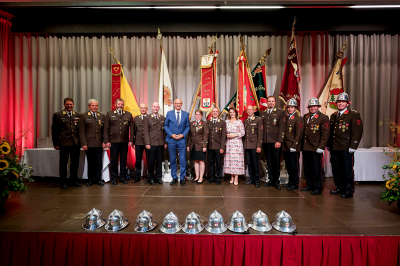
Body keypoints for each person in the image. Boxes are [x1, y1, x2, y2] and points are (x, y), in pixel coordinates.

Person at [328, 92, 363, 198]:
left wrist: (354, 145)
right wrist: (329, 145)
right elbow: (331, 132)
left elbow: (357, 131)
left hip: (346, 146)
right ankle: (339, 187)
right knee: (336, 168)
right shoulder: (333, 115)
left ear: (348, 103)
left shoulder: (353, 114)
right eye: (339, 102)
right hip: (335, 147)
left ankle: (349, 189)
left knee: (347, 169)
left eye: (343, 102)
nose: (341, 104)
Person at [301, 97, 330, 195]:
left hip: (316, 147)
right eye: (311, 106)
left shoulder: (323, 117)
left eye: (314, 106)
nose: (312, 108)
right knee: (307, 168)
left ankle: (318, 187)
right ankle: (310, 185)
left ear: (318, 107)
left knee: (317, 169)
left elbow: (325, 134)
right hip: (306, 147)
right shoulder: (305, 117)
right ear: (308, 107)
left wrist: (321, 147)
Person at [51, 97, 82, 190]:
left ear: (73, 105)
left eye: (71, 104)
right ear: (64, 104)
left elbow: (80, 130)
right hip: (64, 143)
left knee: (75, 163)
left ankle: (74, 181)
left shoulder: (77, 114)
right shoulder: (58, 115)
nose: (69, 106)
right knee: (63, 164)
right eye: (67, 104)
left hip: (75, 143)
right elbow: (55, 131)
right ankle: (63, 182)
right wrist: (56, 144)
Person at [104, 98, 134, 185]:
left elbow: (132, 129)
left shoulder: (128, 114)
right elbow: (106, 128)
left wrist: (131, 140)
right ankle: (113, 178)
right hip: (113, 141)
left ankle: (122, 178)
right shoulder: (109, 114)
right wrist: (107, 140)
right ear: (115, 104)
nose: (120, 106)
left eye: (122, 104)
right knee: (113, 161)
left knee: (123, 160)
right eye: (119, 104)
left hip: (124, 141)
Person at [78, 99, 106, 187]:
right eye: (93, 105)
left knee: (98, 163)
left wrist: (104, 141)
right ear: (89, 106)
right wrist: (83, 143)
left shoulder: (101, 115)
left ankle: (98, 179)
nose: (94, 107)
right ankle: (90, 179)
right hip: (89, 144)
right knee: (90, 163)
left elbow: (104, 130)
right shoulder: (83, 116)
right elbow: (81, 131)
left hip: (99, 143)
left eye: (96, 105)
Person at [261, 96, 286, 190]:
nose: (271, 103)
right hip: (266, 142)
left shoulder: (280, 112)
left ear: (275, 102)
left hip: (276, 142)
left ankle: (276, 181)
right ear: (267, 102)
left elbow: (281, 128)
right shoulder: (263, 113)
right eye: (269, 101)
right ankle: (271, 179)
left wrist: (279, 141)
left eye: (272, 101)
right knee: (269, 162)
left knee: (276, 162)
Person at [164, 99, 190, 186]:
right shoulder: (169, 113)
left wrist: (183, 135)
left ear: (182, 104)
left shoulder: (186, 114)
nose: (178, 104)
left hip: (181, 140)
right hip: (172, 140)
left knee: (182, 159)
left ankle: (182, 178)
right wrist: (171, 135)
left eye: (180, 103)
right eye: (176, 103)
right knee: (172, 159)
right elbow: (165, 126)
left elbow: (187, 127)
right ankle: (174, 177)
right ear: (174, 104)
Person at [144, 102, 167, 186]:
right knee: (151, 162)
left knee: (159, 162)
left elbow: (164, 131)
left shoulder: (162, 118)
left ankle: (158, 177)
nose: (156, 108)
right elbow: (146, 132)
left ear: (159, 108)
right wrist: (147, 143)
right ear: (151, 107)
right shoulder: (147, 118)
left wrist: (165, 142)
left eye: (157, 107)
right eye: (154, 107)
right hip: (151, 143)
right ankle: (150, 178)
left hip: (160, 143)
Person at [282, 99, 303, 191]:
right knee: (289, 166)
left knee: (294, 166)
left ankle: (295, 183)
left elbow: (299, 134)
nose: (290, 109)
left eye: (292, 107)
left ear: (295, 108)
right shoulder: (286, 118)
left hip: (294, 147)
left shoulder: (298, 118)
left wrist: (294, 146)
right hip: (286, 146)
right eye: (289, 107)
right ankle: (290, 182)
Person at [243, 106, 263, 188]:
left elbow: (260, 134)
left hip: (254, 145)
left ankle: (257, 180)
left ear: (254, 110)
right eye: (248, 110)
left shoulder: (258, 120)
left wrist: (259, 146)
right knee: (249, 163)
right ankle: (251, 179)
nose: (249, 111)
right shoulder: (245, 121)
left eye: (251, 109)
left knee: (256, 163)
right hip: (247, 145)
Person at [224, 108, 245, 186]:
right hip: (229, 143)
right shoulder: (226, 122)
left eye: (233, 112)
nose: (232, 113)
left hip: (237, 142)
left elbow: (243, 133)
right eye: (230, 112)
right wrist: (227, 135)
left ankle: (236, 177)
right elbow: (224, 132)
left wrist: (234, 135)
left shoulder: (239, 122)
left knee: (236, 160)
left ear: (236, 113)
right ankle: (231, 176)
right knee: (230, 160)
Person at [187, 110, 209, 184]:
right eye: (196, 114)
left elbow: (206, 135)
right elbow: (189, 136)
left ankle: (201, 177)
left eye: (199, 114)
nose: (197, 116)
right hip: (193, 145)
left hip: (200, 145)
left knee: (201, 161)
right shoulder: (191, 123)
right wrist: (188, 145)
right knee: (195, 161)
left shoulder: (204, 123)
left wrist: (204, 146)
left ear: (201, 115)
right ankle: (197, 176)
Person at [206, 107, 227, 185]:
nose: (214, 113)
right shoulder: (208, 122)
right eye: (213, 111)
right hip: (210, 146)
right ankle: (212, 177)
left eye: (216, 111)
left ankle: (218, 178)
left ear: (218, 113)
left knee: (218, 163)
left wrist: (222, 147)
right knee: (211, 163)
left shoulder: (222, 122)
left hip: (218, 146)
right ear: (211, 113)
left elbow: (223, 136)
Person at [132, 103, 148, 183]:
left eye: (144, 108)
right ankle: (137, 177)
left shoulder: (149, 117)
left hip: (148, 142)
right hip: (138, 142)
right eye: (141, 108)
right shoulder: (136, 118)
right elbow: (133, 131)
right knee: (138, 160)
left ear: (147, 109)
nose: (143, 110)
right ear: (140, 109)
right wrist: (133, 142)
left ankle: (149, 177)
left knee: (149, 160)